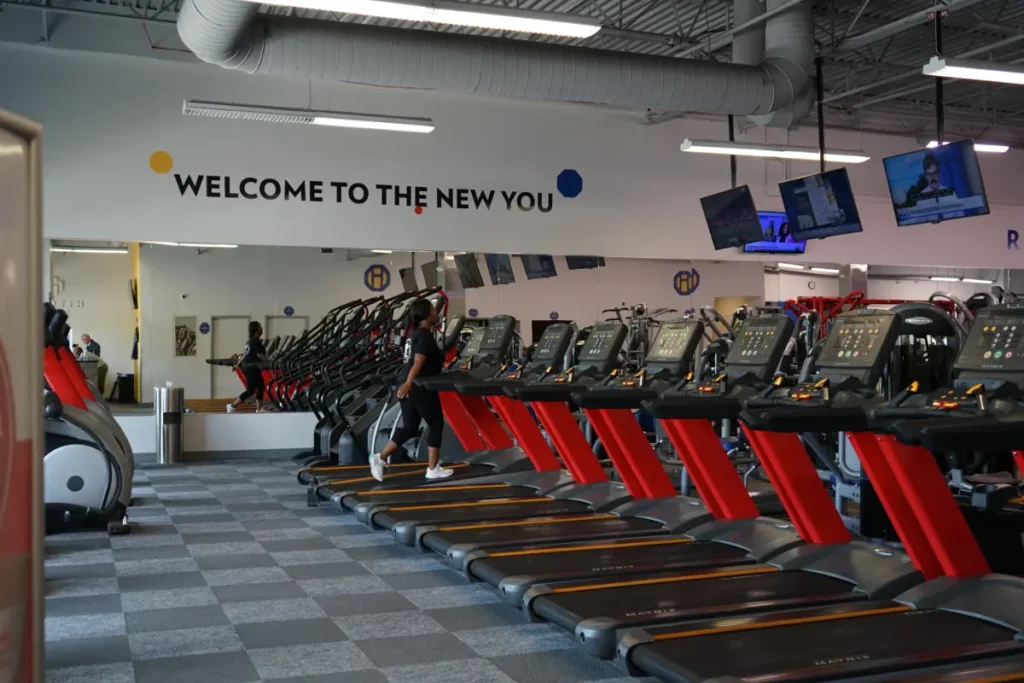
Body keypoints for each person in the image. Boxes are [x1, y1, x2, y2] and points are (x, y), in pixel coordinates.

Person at [369, 299, 454, 482]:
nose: (435, 313)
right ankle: (432, 468)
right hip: (418, 385)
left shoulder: (413, 334)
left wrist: (406, 382)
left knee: (409, 427)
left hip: (408, 384)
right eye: (432, 310)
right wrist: (409, 383)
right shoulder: (424, 335)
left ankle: (380, 457)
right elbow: (418, 361)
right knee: (435, 423)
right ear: (425, 315)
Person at [227, 321, 268, 413]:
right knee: (251, 391)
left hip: (251, 367)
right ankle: (232, 406)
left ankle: (259, 408)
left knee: (260, 387)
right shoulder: (255, 341)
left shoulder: (250, 341)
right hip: (251, 368)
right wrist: (269, 363)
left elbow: (245, 354)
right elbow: (260, 355)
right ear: (256, 330)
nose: (262, 328)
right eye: (260, 327)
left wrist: (237, 364)